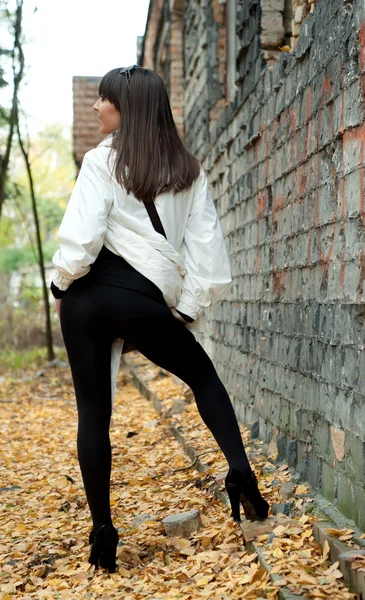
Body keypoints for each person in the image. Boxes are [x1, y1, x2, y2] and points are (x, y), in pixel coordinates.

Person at [50, 65, 269, 573]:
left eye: (105, 100)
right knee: (203, 377)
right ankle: (242, 477)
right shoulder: (189, 170)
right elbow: (208, 255)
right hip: (140, 300)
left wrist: (61, 284)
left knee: (93, 412)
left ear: (126, 106)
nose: (97, 107)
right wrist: (186, 308)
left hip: (85, 300)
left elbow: (82, 239)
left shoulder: (100, 160)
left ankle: (103, 531)